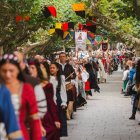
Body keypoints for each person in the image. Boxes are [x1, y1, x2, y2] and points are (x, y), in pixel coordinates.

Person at [0, 54, 42, 140]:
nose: (8, 75)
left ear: (18, 70)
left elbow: (34, 119)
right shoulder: (2, 89)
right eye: (4, 71)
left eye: (11, 71)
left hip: (20, 134)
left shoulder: (26, 88)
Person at [28, 60, 60, 140]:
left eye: (32, 68)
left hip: (46, 118)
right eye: (28, 68)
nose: (30, 70)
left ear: (38, 69)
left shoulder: (47, 85)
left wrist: (56, 119)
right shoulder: (24, 85)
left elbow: (51, 103)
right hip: (30, 119)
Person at [49, 62, 68, 137]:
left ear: (57, 69)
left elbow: (63, 90)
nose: (52, 69)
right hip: (51, 99)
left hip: (59, 98)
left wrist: (64, 102)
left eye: (53, 68)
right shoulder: (48, 78)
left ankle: (60, 134)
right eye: (50, 68)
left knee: (60, 117)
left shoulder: (61, 77)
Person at [59, 52, 76, 119]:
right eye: (61, 56)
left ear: (66, 58)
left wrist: (72, 78)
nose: (62, 57)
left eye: (63, 56)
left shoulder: (69, 66)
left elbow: (74, 74)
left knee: (69, 98)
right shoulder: (57, 66)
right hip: (60, 85)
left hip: (68, 84)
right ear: (59, 57)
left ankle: (68, 112)